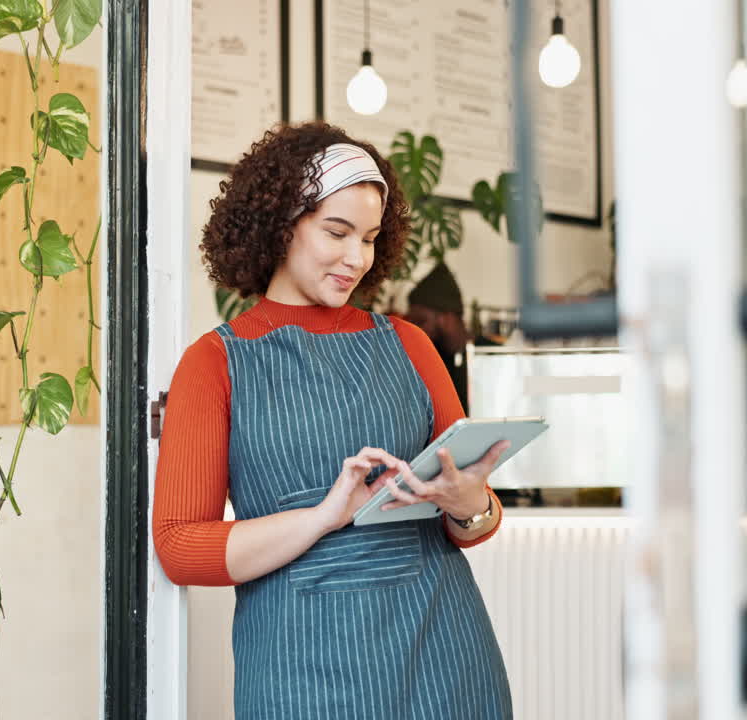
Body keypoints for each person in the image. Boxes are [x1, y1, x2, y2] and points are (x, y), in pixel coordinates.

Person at [152, 121, 513, 719]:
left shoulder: (409, 345)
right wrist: (323, 517)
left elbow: (474, 523)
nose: (356, 258)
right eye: (337, 232)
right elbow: (181, 548)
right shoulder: (215, 363)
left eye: (370, 238)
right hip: (302, 670)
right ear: (281, 224)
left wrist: (468, 503)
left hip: (444, 656)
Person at [404, 261, 471, 412]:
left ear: (446, 319)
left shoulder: (489, 357)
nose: (414, 329)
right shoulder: (425, 360)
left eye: (421, 321)